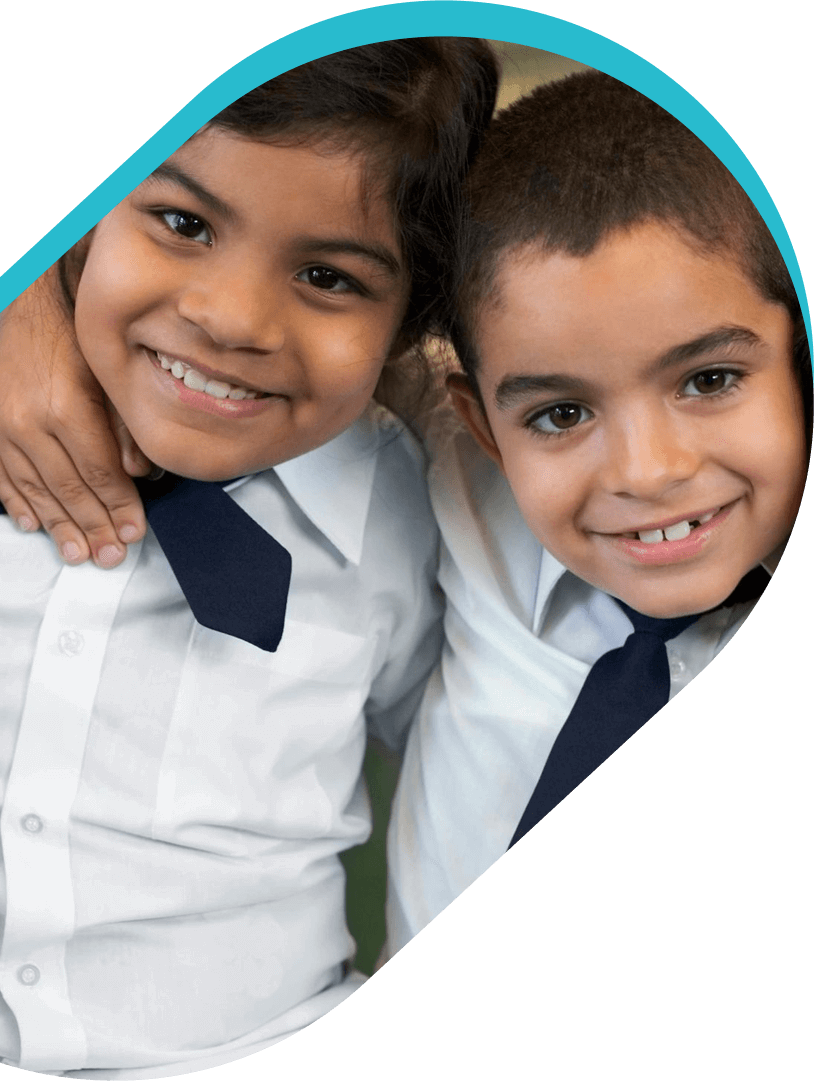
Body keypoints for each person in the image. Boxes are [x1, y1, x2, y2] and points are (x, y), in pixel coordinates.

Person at [0, 39, 498, 1077]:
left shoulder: (421, 515)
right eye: (181, 223)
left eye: (327, 276)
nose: (231, 318)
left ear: (412, 322)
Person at [383, 70, 810, 957]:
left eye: (710, 379)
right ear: (485, 429)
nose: (649, 472)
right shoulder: (454, 477)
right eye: (560, 415)